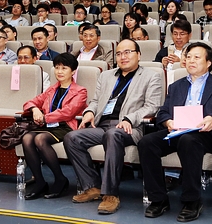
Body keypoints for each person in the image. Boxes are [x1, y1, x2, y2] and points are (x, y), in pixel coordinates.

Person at [139, 42, 212, 221]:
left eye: (197, 57)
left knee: (189, 141)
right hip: (178, 130)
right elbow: (163, 112)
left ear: (209, 62)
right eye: (188, 57)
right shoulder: (176, 86)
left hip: (206, 134)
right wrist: (168, 121)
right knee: (146, 142)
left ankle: (192, 201)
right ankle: (158, 199)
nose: (191, 60)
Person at [65, 39, 162, 214]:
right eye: (119, 53)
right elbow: (96, 101)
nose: (123, 57)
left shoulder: (151, 76)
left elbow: (152, 106)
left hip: (131, 127)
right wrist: (90, 111)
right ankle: (92, 187)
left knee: (113, 134)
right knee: (72, 137)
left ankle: (110, 194)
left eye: (127, 52)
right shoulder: (106, 76)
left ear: (139, 55)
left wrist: (129, 119)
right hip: (102, 125)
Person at [21, 53, 88, 199]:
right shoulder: (52, 89)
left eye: (64, 68)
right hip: (49, 125)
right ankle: (40, 182)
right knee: (26, 138)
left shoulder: (80, 91)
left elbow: (68, 112)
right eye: (57, 68)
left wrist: (45, 118)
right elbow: (29, 102)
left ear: (73, 71)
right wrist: (35, 109)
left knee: (40, 139)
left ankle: (60, 179)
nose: (59, 71)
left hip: (66, 126)